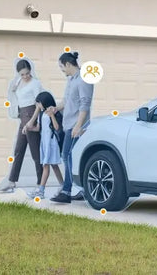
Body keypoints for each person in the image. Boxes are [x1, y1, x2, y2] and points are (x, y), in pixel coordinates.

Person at [50, 52, 94, 204]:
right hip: (69, 124)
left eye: (62, 67)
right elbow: (66, 100)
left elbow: (85, 104)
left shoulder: (83, 79)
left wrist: (79, 125)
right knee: (69, 156)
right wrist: (55, 109)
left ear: (68, 64)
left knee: (69, 156)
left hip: (77, 125)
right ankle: (81, 190)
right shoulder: (71, 80)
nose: (62, 71)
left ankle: (66, 191)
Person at [0, 58, 44, 192]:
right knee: (18, 150)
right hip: (23, 117)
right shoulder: (19, 82)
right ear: (18, 74)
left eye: (27, 73)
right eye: (22, 74)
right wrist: (14, 89)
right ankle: (11, 181)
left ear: (31, 71)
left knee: (35, 153)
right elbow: (15, 95)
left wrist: (31, 122)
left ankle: (41, 184)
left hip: (31, 117)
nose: (25, 76)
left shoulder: (35, 83)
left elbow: (39, 105)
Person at [27, 91, 64, 199]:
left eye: (38, 103)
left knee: (46, 165)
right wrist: (29, 128)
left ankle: (41, 191)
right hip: (44, 143)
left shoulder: (54, 112)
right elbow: (39, 128)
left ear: (44, 102)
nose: (37, 106)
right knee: (54, 165)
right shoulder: (41, 113)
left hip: (51, 143)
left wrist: (52, 115)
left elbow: (57, 128)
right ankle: (63, 185)